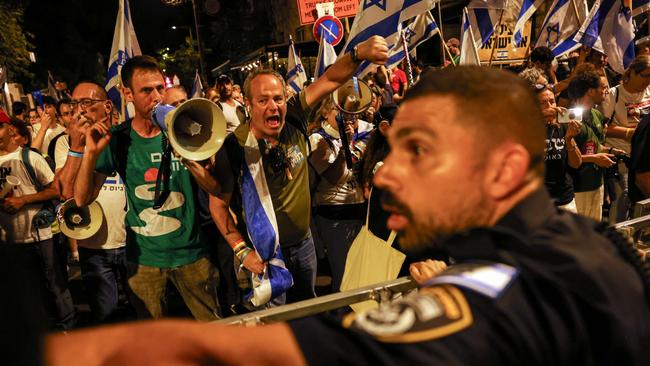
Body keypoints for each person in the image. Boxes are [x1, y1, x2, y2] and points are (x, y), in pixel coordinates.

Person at [47, 66, 650, 366]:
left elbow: (282, 353)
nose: (384, 173)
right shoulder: (597, 247)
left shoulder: (494, 293)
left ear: (501, 167)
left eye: (418, 151)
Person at [207, 36, 389, 306]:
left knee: (308, 311)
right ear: (247, 103)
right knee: (275, 327)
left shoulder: (294, 116)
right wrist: (242, 251)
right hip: (265, 254)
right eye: (263, 100)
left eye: (278, 98)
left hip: (304, 246)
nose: (273, 106)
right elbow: (218, 205)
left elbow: (330, 80)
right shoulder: (233, 147)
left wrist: (358, 53)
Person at [73, 55, 220, 321]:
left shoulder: (181, 130)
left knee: (214, 331)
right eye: (146, 90)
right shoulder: (118, 139)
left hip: (192, 255)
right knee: (155, 343)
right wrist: (90, 154)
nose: (156, 97)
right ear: (127, 93)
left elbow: (215, 189)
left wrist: (189, 153)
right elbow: (82, 199)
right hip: (144, 262)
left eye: (159, 88)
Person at [55, 81, 129, 323]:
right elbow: (68, 195)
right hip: (94, 247)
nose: (79, 111)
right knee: (107, 320)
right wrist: (78, 147)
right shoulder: (66, 143)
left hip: (133, 241)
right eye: (74, 104)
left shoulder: (124, 137)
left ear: (107, 107)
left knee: (144, 315)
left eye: (86, 103)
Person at [0, 113, 75, 331]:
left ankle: (68, 328)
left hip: (39, 235)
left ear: (10, 130)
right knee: (26, 289)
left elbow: (55, 190)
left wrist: (23, 200)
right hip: (10, 240)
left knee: (54, 284)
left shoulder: (30, 158)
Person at [308, 97, 373, 292]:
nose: (348, 119)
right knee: (344, 275)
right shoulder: (317, 139)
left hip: (359, 209)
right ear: (326, 113)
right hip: (335, 215)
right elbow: (335, 177)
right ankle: (341, 316)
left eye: (352, 114)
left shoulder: (361, 135)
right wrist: (347, 145)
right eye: (341, 113)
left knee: (363, 272)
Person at [567, 71, 623, 220]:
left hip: (597, 184)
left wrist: (610, 151)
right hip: (578, 187)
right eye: (602, 87)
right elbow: (566, 156)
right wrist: (594, 158)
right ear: (591, 91)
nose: (606, 90)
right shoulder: (568, 118)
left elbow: (596, 146)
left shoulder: (597, 115)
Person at [601, 55, 650, 222]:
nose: (647, 81)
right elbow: (602, 128)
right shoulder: (614, 94)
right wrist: (629, 133)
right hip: (623, 156)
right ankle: (618, 237)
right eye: (645, 75)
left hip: (644, 155)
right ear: (632, 73)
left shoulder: (649, 91)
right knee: (623, 198)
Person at [534, 83, 582, 211]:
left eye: (552, 101)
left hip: (565, 199)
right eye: (543, 103)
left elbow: (576, 163)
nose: (550, 107)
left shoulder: (563, 126)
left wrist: (569, 139)